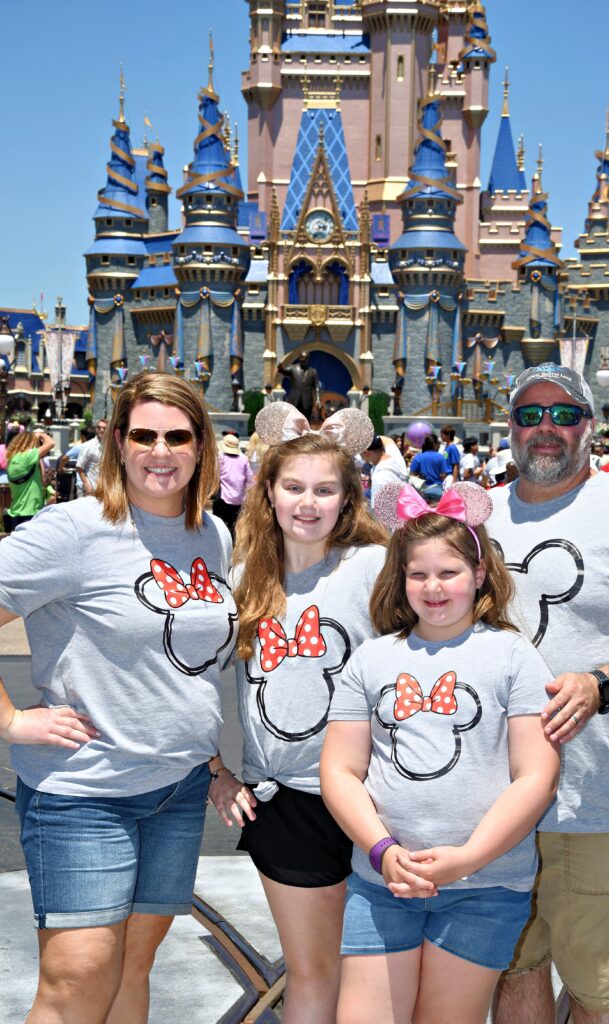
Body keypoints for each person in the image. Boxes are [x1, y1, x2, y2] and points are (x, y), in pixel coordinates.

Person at [0, 372, 238, 1024]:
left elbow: (183, 667)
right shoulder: (73, 529)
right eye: (144, 436)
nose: (160, 452)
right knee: (77, 978)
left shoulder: (211, 535)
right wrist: (13, 719)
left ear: (201, 446)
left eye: (177, 437)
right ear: (116, 441)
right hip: (84, 794)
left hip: (178, 790)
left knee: (135, 966)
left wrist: (214, 766)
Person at [486, 362, 609, 1024]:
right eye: (529, 414)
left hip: (599, 803)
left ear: (589, 428)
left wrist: (603, 684)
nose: (546, 428)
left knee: (600, 996)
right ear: (507, 427)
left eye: (563, 414)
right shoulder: (477, 516)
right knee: (514, 973)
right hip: (489, 804)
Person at [321, 483, 559, 1024]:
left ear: (478, 574)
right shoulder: (372, 660)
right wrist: (381, 850)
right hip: (383, 883)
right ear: (399, 579)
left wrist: (469, 858)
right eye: (417, 573)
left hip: (486, 887)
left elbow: (536, 776)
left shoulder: (513, 656)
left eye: (448, 572)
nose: (432, 586)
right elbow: (339, 770)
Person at [218, 401, 387, 1024]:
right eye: (293, 487)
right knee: (314, 976)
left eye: (324, 489)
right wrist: (216, 771)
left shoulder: (376, 568)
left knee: (375, 980)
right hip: (285, 801)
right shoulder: (242, 577)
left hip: (377, 798)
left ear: (349, 498)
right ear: (268, 490)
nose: (308, 503)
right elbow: (185, 681)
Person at [5, 429, 55, 532]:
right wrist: (41, 434)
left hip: (16, 511)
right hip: (31, 512)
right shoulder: (27, 458)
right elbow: (51, 443)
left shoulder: (12, 460)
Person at [213, 433, 253, 539]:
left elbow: (215, 475)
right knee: (234, 526)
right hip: (239, 500)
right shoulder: (243, 459)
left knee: (220, 525)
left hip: (223, 498)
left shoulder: (221, 457)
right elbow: (250, 480)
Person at [361, 434, 408, 509]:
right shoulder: (396, 458)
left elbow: (378, 511)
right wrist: (373, 438)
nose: (361, 457)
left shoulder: (379, 478)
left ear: (366, 452)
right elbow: (388, 440)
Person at [277, 350, 321, 421]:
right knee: (293, 419)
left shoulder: (313, 371)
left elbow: (316, 386)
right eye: (301, 357)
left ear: (308, 359)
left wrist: (318, 399)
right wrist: (280, 367)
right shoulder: (293, 368)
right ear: (299, 358)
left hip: (307, 400)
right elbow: (283, 371)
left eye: (305, 358)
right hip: (294, 399)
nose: (303, 359)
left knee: (306, 420)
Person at [409, 434, 449, 501]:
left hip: (422, 490)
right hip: (437, 490)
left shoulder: (418, 457)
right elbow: (443, 475)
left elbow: (413, 474)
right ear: (434, 444)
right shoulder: (440, 457)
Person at [76, 417, 107, 495]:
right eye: (99, 427)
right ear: (96, 429)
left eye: (104, 428)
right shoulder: (88, 446)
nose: (101, 430)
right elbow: (79, 467)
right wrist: (87, 484)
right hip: (89, 490)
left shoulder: (110, 446)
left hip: (104, 490)